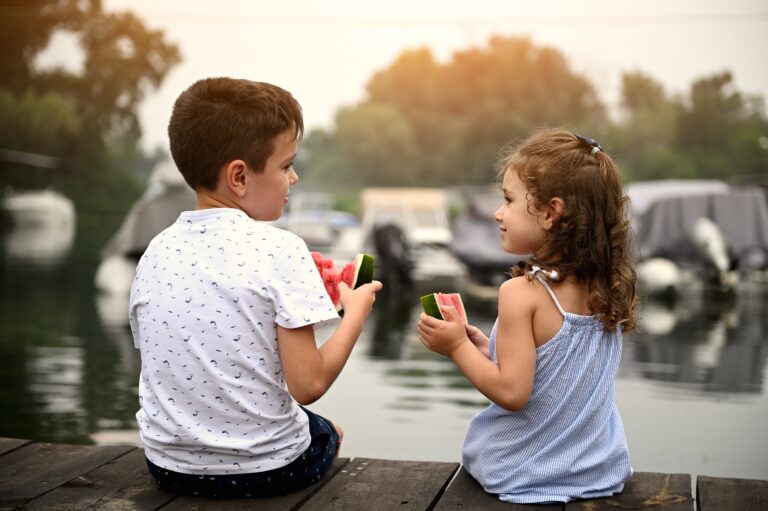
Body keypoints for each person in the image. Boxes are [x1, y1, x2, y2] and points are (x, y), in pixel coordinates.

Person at [129, 77, 382, 498]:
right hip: (267, 471)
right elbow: (309, 386)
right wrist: (354, 313)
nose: (295, 178)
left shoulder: (154, 251)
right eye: (286, 166)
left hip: (167, 467)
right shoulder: (281, 248)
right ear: (240, 177)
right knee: (326, 430)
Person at [417, 128, 636, 504]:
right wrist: (488, 348)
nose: (498, 214)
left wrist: (456, 347)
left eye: (508, 200)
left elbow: (512, 392)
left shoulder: (520, 293)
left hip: (524, 472)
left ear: (551, 212)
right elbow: (554, 371)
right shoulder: (605, 288)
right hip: (598, 469)